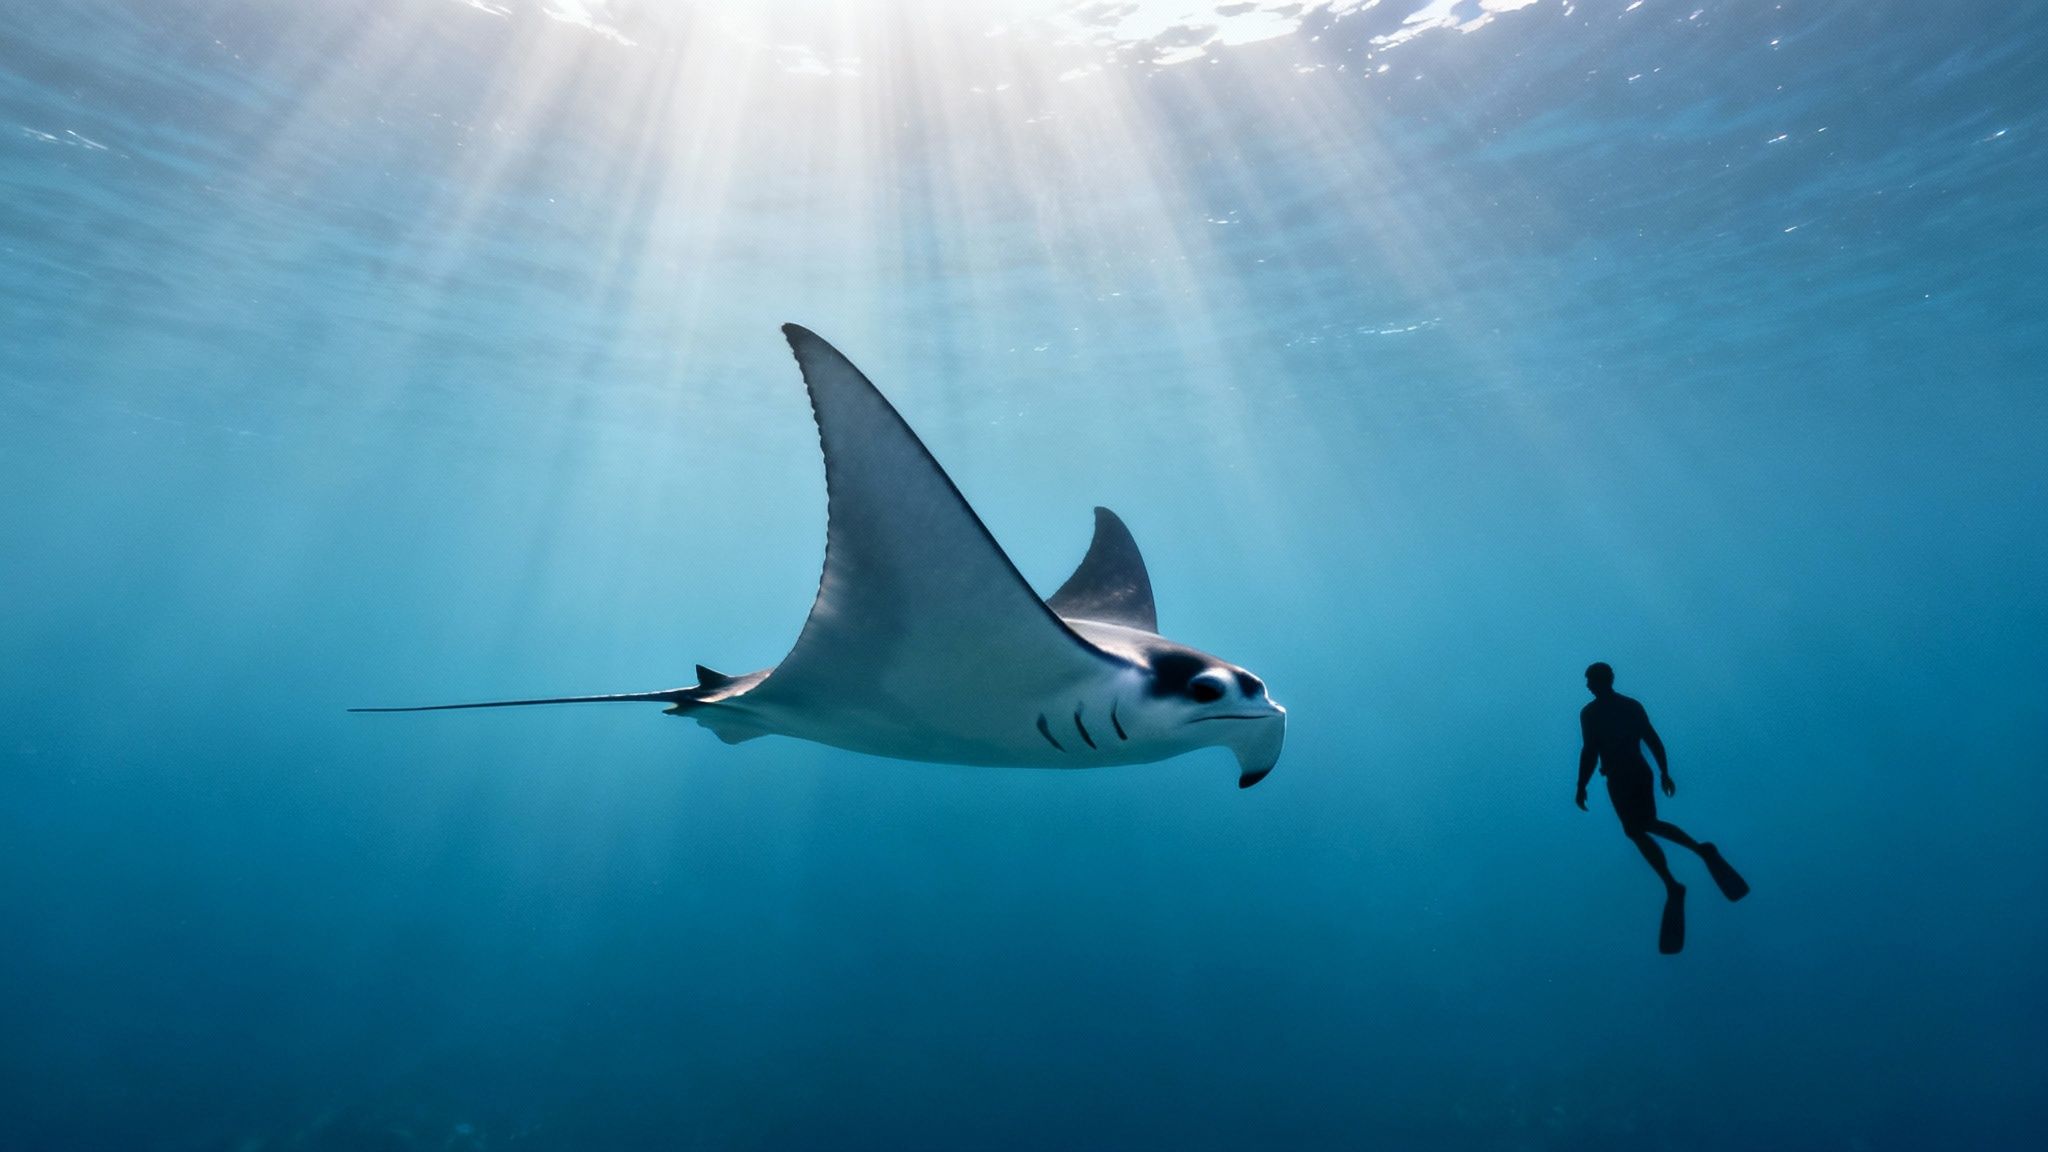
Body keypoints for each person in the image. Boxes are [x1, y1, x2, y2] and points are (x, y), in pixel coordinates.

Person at [1576, 662, 1747, 954]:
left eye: (1591, 680)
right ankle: (1688, 864)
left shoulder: (1602, 711)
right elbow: (1596, 750)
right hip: (1623, 775)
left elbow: (1642, 741)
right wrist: (1583, 784)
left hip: (1628, 774)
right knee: (1640, 827)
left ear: (1603, 680)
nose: (1588, 685)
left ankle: (1684, 869)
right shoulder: (1609, 709)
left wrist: (1582, 785)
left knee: (1640, 826)